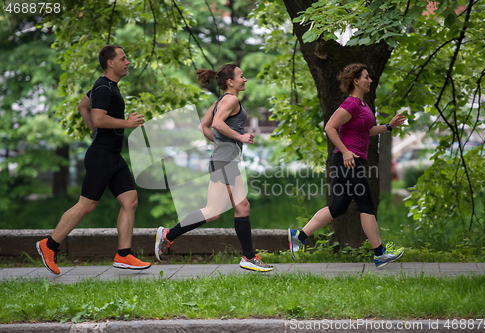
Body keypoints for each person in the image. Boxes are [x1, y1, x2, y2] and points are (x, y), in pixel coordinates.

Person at [36, 45, 151, 275]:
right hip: (101, 156)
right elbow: (98, 118)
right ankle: (49, 245)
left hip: (112, 156)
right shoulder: (103, 87)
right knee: (87, 204)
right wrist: (125, 124)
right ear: (110, 63)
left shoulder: (106, 87)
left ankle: (124, 254)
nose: (127, 62)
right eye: (123, 58)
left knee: (130, 200)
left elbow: (82, 106)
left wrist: (96, 132)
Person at [154, 63, 273, 272]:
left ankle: (248, 256)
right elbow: (217, 124)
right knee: (213, 211)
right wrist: (239, 137)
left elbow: (203, 126)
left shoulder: (220, 101)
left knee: (241, 207)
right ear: (230, 82)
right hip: (225, 161)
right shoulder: (232, 99)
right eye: (241, 76)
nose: (245, 79)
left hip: (226, 159)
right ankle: (168, 235)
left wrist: (222, 144)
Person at [288, 63, 406, 268]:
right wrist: (345, 151)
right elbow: (330, 127)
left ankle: (299, 236)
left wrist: (389, 126)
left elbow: (366, 131)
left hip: (351, 160)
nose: (370, 80)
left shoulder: (363, 105)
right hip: (348, 161)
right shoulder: (351, 103)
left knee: (338, 206)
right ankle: (380, 254)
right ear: (356, 81)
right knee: (367, 204)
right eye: (366, 77)